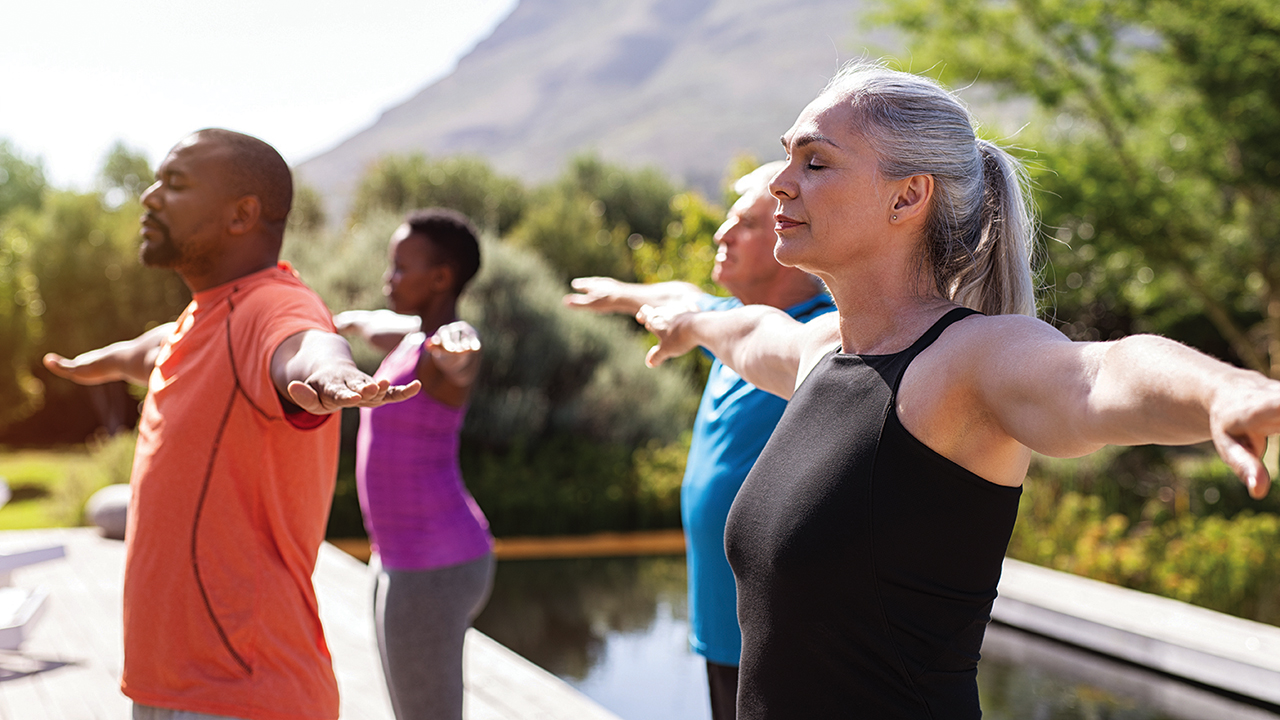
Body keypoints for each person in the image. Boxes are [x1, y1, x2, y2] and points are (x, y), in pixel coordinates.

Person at [636, 62, 1280, 720]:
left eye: (815, 162)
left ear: (907, 196)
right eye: (787, 159)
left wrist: (1224, 391)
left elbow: (1102, 372)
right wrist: (686, 322)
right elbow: (743, 331)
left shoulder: (964, 362)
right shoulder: (822, 352)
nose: (779, 184)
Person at [43, 128, 419, 720]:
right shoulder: (203, 316)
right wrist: (96, 363)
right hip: (166, 688)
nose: (148, 196)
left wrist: (332, 377)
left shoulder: (273, 306)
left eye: (175, 183)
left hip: (245, 693)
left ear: (243, 213)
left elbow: (307, 344)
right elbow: (151, 348)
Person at [563, 163, 834, 720]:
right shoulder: (728, 320)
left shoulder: (824, 338)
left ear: (795, 241)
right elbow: (682, 294)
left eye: (745, 223)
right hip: (723, 630)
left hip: (788, 641)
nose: (721, 235)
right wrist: (621, 294)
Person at [334, 208, 494, 720]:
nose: (389, 278)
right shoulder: (409, 340)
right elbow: (372, 323)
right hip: (401, 557)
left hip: (433, 564)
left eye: (402, 268)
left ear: (441, 278)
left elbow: (460, 353)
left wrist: (456, 349)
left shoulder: (440, 350)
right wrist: (335, 323)